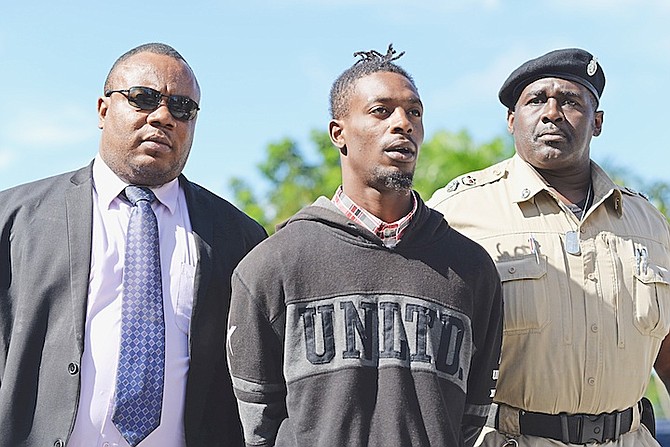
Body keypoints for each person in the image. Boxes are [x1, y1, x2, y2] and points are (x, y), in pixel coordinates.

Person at [226, 45, 503, 447]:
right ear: (339, 134)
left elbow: (473, 415)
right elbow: (255, 422)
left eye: (414, 112)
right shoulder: (274, 264)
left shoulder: (470, 267)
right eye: (381, 111)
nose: (403, 124)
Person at [0, 42, 267, 447]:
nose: (163, 117)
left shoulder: (239, 238)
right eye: (143, 98)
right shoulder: (16, 220)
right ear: (103, 110)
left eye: (182, 107)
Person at [428, 48, 670, 446]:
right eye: (536, 100)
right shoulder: (457, 213)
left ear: (598, 122)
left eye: (571, 101)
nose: (552, 112)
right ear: (511, 120)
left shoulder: (647, 224)